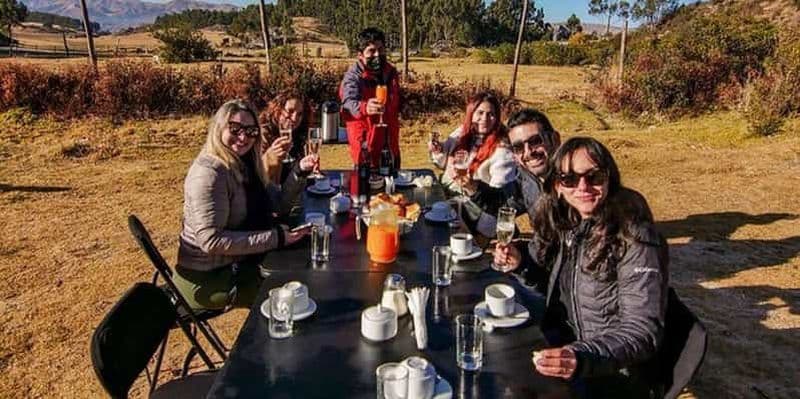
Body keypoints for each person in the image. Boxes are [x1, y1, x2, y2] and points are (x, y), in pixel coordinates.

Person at [494, 137, 668, 396]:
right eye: (570, 179)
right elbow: (555, 289)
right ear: (558, 186)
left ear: (610, 177)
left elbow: (642, 330)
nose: (583, 186)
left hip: (610, 373)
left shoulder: (634, 236)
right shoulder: (570, 223)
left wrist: (581, 357)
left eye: (594, 176)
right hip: (563, 345)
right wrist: (521, 265)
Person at [175, 99, 317, 310]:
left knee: (304, 275)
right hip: (207, 278)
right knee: (294, 295)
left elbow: (277, 205)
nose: (243, 137)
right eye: (235, 129)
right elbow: (211, 241)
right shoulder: (209, 173)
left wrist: (299, 171)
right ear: (219, 128)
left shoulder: (245, 163)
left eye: (251, 131)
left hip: (238, 262)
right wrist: (275, 238)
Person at [458, 108, 561, 237]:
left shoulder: (579, 183)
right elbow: (502, 203)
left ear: (555, 140)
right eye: (518, 147)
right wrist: (474, 188)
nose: (528, 152)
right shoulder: (527, 179)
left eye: (536, 141)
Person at [428, 91, 516, 231]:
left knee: (431, 215)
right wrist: (438, 151)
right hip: (446, 193)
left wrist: (472, 186)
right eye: (480, 113)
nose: (485, 119)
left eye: (491, 114)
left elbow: (497, 198)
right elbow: (443, 163)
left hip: (474, 207)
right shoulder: (462, 133)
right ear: (471, 113)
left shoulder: (502, 150)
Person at [339, 27, 401, 167]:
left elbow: (396, 103)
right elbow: (348, 102)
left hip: (390, 146)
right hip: (365, 148)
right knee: (365, 187)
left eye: (381, 49)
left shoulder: (391, 73)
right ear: (360, 55)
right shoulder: (353, 76)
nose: (377, 55)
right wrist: (365, 107)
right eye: (372, 51)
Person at [259, 91, 315, 184]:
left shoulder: (300, 135)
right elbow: (258, 175)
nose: (294, 118)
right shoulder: (263, 134)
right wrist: (273, 156)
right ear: (278, 110)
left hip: (295, 192)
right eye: (290, 111)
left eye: (299, 114)